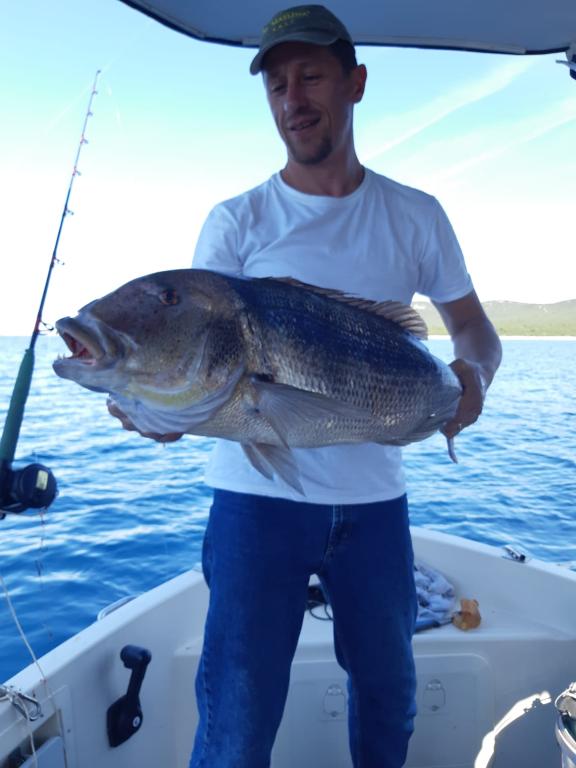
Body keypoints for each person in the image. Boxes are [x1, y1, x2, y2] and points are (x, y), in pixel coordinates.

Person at [110, 5, 502, 766]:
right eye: (277, 84)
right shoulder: (237, 222)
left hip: (375, 505)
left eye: (312, 76)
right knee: (236, 719)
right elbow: (204, 350)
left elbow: (473, 330)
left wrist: (474, 376)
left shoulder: (416, 216)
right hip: (254, 505)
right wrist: (165, 409)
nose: (293, 99)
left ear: (356, 83)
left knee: (389, 700)